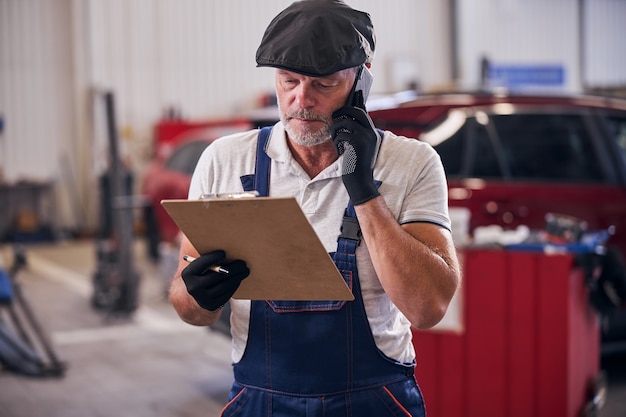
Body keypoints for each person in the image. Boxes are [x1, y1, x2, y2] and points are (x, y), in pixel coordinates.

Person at [169, 1, 461, 415]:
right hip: (260, 400)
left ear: (361, 82)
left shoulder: (411, 163)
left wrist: (363, 192)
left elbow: (427, 308)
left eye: (322, 85)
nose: (300, 100)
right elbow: (187, 307)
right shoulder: (225, 161)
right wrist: (197, 295)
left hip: (373, 401)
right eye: (288, 81)